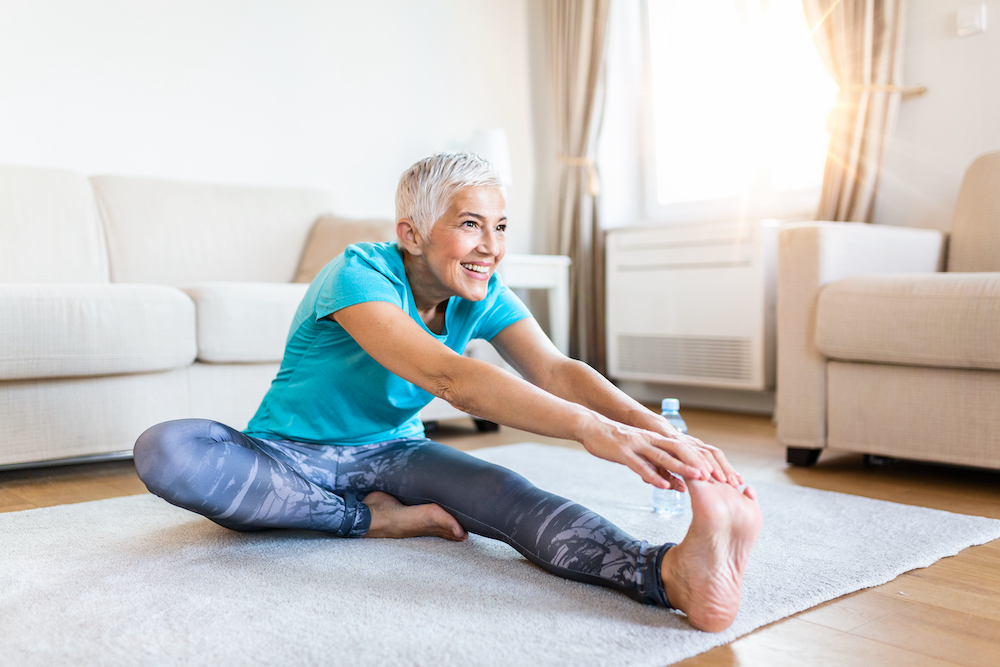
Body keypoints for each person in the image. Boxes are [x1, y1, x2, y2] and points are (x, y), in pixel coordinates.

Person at [134, 152, 761, 633]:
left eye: (499, 226)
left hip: (398, 453)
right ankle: (368, 521)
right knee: (168, 450)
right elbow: (450, 379)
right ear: (412, 234)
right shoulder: (358, 273)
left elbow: (555, 369)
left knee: (508, 495)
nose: (490, 246)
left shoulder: (484, 292)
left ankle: (669, 574)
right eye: (469, 225)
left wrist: (649, 426)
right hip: (290, 454)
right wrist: (590, 430)